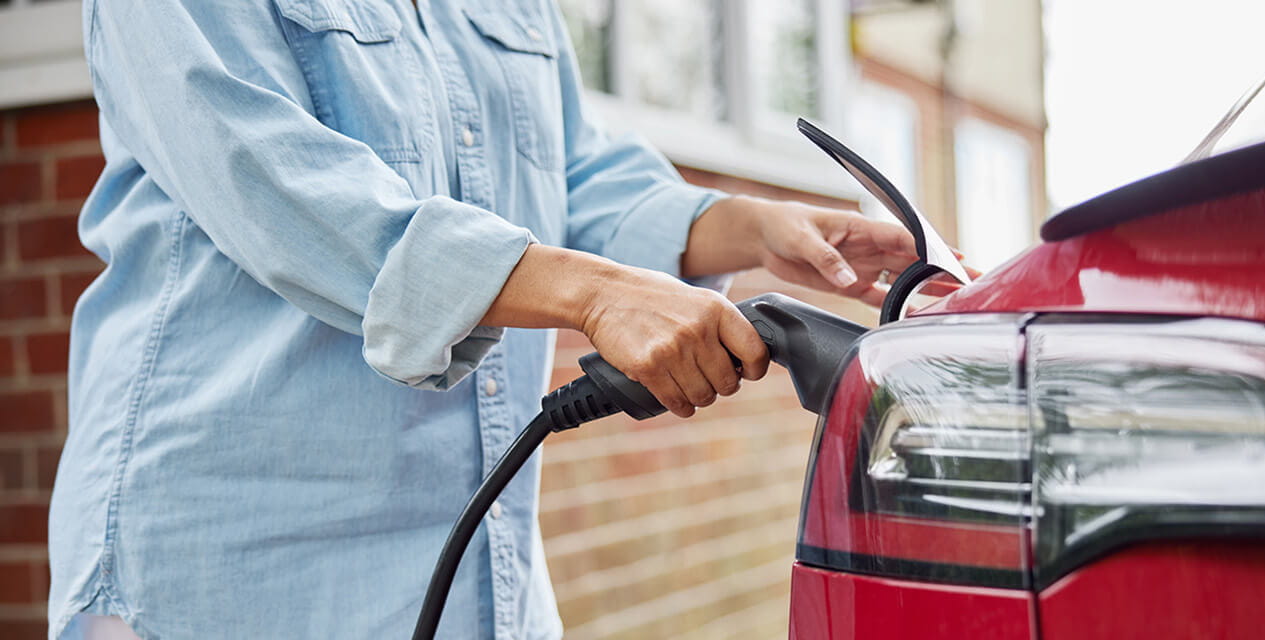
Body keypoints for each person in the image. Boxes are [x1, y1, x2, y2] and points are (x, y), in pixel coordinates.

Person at [50, 1, 930, 638]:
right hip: (237, 561)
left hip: (478, 563)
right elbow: (274, 182)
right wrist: (595, 293)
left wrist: (754, 225)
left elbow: (570, 168)